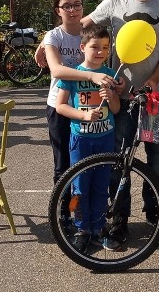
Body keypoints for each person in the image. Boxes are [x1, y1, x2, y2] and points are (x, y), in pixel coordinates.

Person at [82, 0, 159, 242]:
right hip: (120, 99)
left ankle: (155, 213)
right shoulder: (114, 1)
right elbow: (84, 25)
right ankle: (118, 219)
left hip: (155, 101)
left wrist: (152, 81)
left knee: (157, 162)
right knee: (118, 161)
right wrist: (50, 38)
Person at [36, 0, 121, 223]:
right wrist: (91, 77)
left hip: (94, 112)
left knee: (94, 171)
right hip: (60, 105)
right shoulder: (54, 36)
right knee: (63, 165)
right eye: (66, 6)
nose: (72, 10)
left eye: (77, 5)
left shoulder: (90, 34)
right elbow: (56, 69)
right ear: (58, 10)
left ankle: (93, 220)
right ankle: (64, 213)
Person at [54, 25, 120, 252]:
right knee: (79, 188)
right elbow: (60, 106)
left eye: (105, 47)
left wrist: (111, 97)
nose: (100, 51)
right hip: (80, 140)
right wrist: (83, 115)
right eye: (95, 47)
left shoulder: (111, 75)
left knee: (101, 186)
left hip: (105, 139)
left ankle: (99, 228)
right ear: (83, 47)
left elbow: (117, 109)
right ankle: (81, 228)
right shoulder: (73, 74)